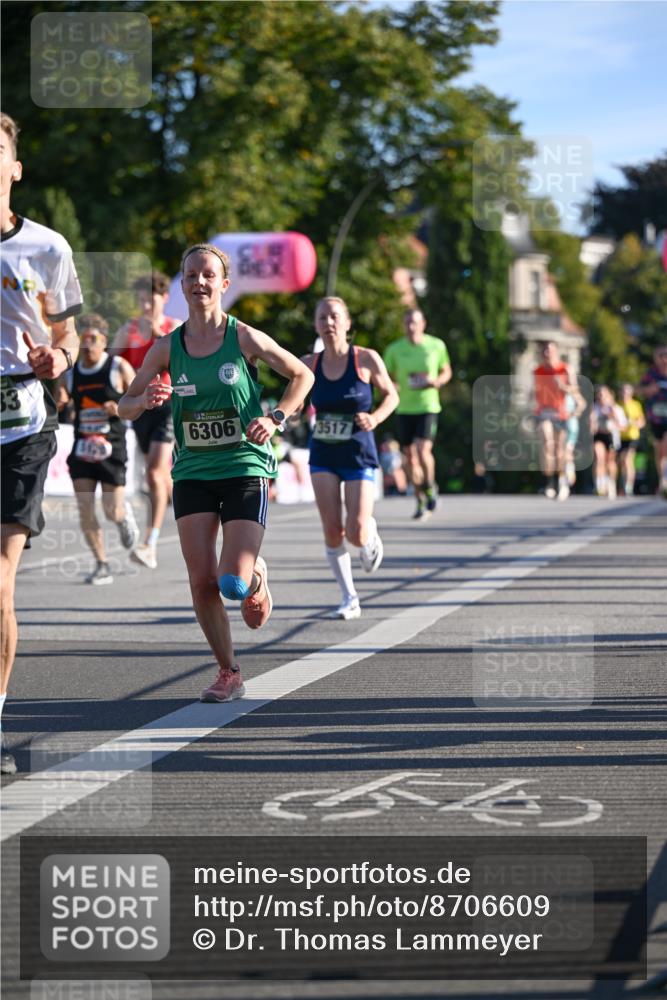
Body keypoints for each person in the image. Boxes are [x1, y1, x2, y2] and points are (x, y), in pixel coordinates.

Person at [118, 243, 313, 702]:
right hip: (192, 472)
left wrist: (277, 417)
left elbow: (302, 375)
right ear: (181, 286)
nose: (199, 282)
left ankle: (256, 576)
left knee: (233, 583)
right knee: (202, 581)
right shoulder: (167, 346)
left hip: (245, 465)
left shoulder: (243, 337)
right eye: (191, 276)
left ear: (224, 284)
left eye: (208, 275)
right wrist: (143, 401)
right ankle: (229, 672)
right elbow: (124, 405)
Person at [0, 112, 82, 774]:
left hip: (23, 424)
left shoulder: (47, 248)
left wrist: (57, 357)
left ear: (15, 168)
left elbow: (70, 335)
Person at [302, 297, 399, 620]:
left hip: (358, 449)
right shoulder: (308, 364)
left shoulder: (366, 359)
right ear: (316, 325)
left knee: (354, 532)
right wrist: (283, 416)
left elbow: (392, 395)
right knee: (332, 529)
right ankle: (349, 597)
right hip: (324, 451)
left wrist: (376, 418)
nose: (328, 323)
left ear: (347, 323)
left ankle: (368, 533)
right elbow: (295, 397)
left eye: (334, 317)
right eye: (322, 317)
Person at [55, 313, 139, 583]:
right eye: (84, 339)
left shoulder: (118, 367)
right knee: (85, 508)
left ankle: (123, 515)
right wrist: (59, 400)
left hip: (112, 448)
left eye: (94, 339)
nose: (88, 344)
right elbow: (61, 398)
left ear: (104, 342)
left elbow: (139, 400)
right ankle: (101, 563)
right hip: (82, 448)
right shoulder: (72, 373)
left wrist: (120, 408)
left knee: (111, 510)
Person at [112, 271, 180, 569]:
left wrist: (159, 338)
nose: (146, 305)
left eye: (151, 299)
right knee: (161, 477)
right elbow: (108, 364)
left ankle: (149, 543)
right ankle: (189, 498)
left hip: (167, 406)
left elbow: (188, 366)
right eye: (141, 299)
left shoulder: (174, 328)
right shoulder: (128, 329)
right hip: (139, 408)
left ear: (163, 298)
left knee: (154, 473)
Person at [383, 308, 451, 521]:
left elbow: (446, 370)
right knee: (409, 458)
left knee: (423, 451)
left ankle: (430, 487)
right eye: (407, 323)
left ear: (423, 324)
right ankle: (420, 498)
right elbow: (386, 376)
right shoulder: (395, 349)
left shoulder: (436, 345)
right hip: (404, 408)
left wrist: (437, 382)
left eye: (415, 322)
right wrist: (393, 386)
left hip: (428, 406)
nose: (411, 327)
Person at [532, 341, 577, 501]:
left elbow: (574, 389)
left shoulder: (565, 369)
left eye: (550, 350)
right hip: (544, 412)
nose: (547, 353)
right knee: (547, 444)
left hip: (561, 413)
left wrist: (563, 386)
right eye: (545, 350)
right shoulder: (537, 371)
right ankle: (548, 483)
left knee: (560, 451)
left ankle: (561, 483)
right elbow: (534, 392)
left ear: (556, 352)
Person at [637, 345, 667, 498]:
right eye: (660, 356)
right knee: (660, 451)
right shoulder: (652, 373)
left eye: (665, 355)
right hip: (656, 417)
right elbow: (638, 390)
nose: (663, 359)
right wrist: (650, 389)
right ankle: (663, 480)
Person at [591, 385, 627, 499]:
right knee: (599, 457)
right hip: (598, 435)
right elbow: (590, 424)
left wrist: (612, 416)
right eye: (599, 395)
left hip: (611, 436)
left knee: (610, 461)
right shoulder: (594, 408)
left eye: (604, 395)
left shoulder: (616, 408)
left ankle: (611, 483)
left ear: (609, 396)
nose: (601, 397)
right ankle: (599, 484)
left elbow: (623, 426)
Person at [618, 383, 645, 497]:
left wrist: (633, 423)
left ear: (631, 393)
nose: (625, 394)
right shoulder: (617, 405)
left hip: (632, 436)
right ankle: (623, 484)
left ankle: (628, 486)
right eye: (623, 392)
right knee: (622, 462)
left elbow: (642, 422)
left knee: (627, 460)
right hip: (620, 437)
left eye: (627, 392)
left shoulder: (636, 405)